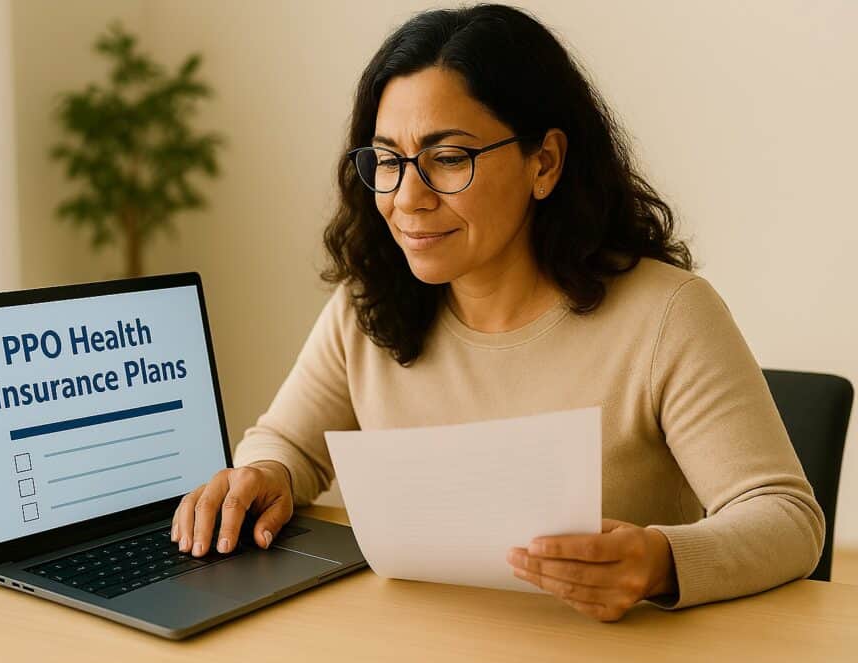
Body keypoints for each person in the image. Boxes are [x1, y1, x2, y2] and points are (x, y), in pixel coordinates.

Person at [171, 4, 824, 622]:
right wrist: (263, 475)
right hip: (422, 649)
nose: (408, 197)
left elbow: (786, 517)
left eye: (448, 158)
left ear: (544, 162)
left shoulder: (667, 315)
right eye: (390, 161)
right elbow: (286, 445)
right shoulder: (367, 307)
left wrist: (661, 561)